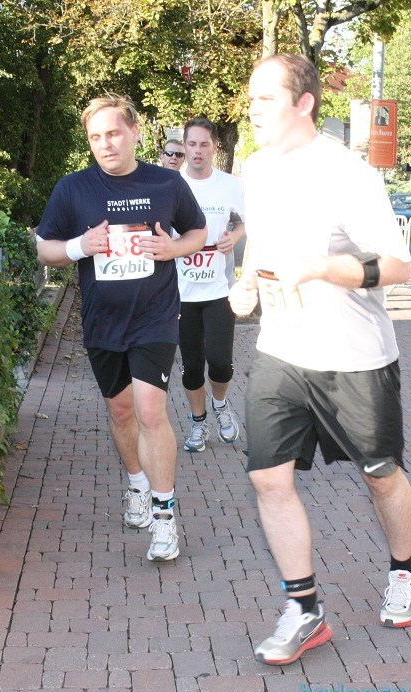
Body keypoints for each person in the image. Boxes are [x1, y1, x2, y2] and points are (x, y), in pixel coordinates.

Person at [228, 54, 411, 666]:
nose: (251, 109)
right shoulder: (254, 169)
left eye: (264, 99)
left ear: (303, 103)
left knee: (379, 473)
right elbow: (261, 239)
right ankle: (304, 609)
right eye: (250, 98)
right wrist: (248, 284)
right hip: (282, 351)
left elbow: (396, 266)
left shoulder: (348, 174)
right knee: (267, 477)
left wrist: (316, 268)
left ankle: (403, 570)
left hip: (354, 357)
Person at [36, 93, 207, 561]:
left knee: (151, 412)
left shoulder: (166, 184)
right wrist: (79, 246)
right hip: (102, 322)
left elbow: (197, 232)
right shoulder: (73, 189)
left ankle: (165, 514)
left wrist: (171, 250)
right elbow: (45, 249)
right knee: (121, 414)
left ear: (134, 132)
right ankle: (136, 482)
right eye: (95, 137)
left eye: (113, 133)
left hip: (154, 317)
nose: (105, 144)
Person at [176, 117, 246, 452]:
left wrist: (233, 237)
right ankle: (198, 423)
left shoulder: (231, 185)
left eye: (205, 144)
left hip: (219, 290)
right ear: (184, 146)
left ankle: (220, 405)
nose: (198, 150)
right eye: (192, 144)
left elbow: (244, 222)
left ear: (215, 147)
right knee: (191, 366)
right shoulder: (171, 185)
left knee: (220, 362)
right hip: (181, 294)